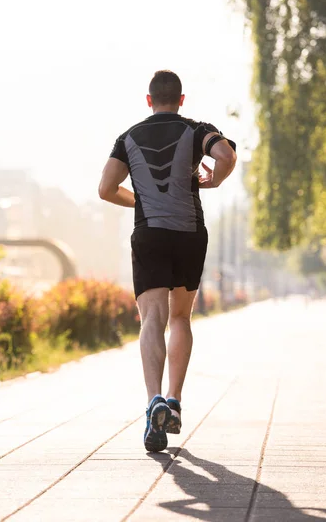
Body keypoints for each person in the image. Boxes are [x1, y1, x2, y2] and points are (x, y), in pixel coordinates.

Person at [98, 70, 237, 452]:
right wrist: (216, 180)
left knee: (152, 319)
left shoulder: (127, 138)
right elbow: (225, 155)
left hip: (149, 234)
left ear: (149, 100)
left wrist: (139, 201)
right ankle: (174, 401)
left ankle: (153, 400)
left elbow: (106, 189)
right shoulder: (197, 129)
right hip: (189, 233)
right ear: (181, 99)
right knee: (180, 318)